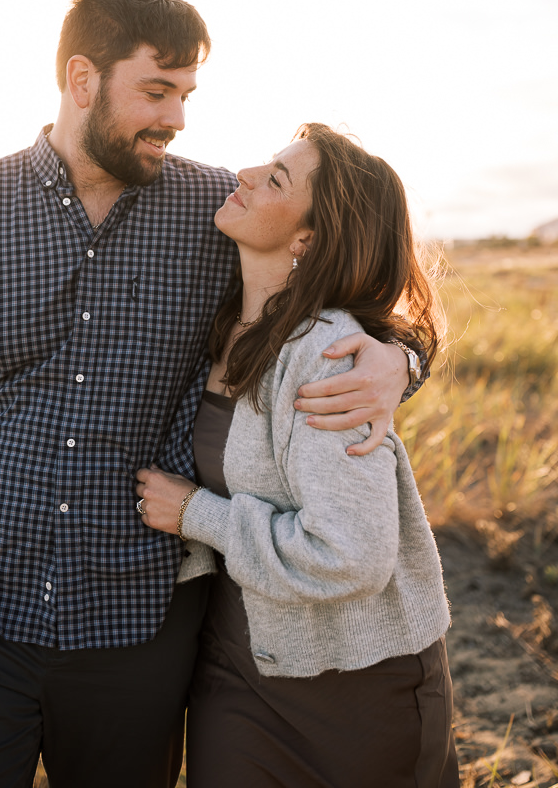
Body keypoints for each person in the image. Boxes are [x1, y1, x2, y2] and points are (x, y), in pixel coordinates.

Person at [0, 0, 422, 788]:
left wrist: (401, 358)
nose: (177, 118)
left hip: (141, 630)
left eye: (186, 94)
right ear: (82, 79)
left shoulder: (217, 211)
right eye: (156, 91)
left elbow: (344, 290)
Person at [136, 123, 458, 788]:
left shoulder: (326, 353)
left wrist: (197, 514)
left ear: (307, 240)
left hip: (356, 688)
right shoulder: (219, 317)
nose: (245, 174)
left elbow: (351, 554)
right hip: (238, 667)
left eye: (276, 178)